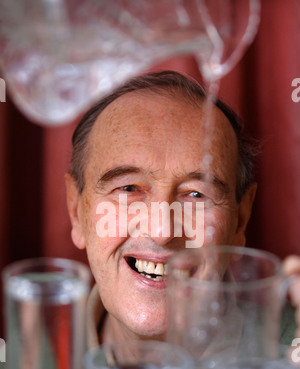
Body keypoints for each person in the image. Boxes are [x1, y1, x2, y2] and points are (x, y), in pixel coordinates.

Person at [65, 70, 299, 348]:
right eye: (128, 189)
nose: (162, 231)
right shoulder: (20, 367)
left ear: (240, 220)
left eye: (197, 195)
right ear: (77, 211)